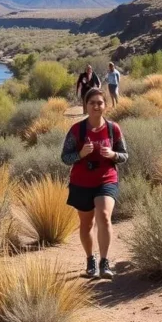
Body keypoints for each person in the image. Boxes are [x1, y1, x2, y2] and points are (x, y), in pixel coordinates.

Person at [61, 88, 128, 279]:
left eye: (100, 103)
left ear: (105, 105)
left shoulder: (113, 129)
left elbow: (124, 155)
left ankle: (104, 262)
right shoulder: (77, 130)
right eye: (92, 103)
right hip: (81, 182)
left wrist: (113, 154)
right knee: (86, 223)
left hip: (106, 179)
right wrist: (80, 155)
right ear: (86, 105)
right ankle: (90, 259)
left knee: (105, 216)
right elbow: (65, 157)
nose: (96, 106)